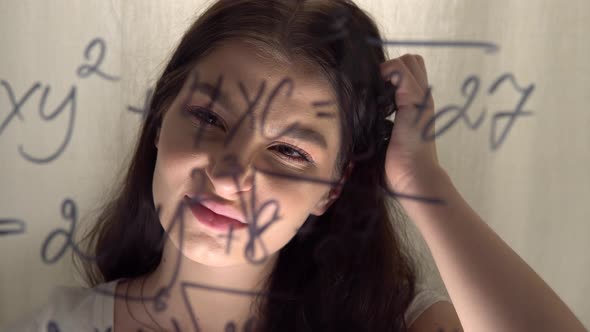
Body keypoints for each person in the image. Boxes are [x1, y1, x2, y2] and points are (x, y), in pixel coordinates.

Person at [4, 0, 586, 331]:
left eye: (289, 150)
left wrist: (423, 184)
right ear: (159, 123)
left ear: (332, 189)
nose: (230, 174)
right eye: (209, 118)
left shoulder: (403, 324)